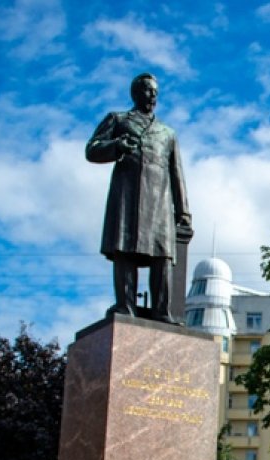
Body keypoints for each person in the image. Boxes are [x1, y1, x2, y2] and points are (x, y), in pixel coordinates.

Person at [86, 72, 190, 324]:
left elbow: (178, 174)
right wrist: (117, 146)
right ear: (135, 93)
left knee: (162, 255)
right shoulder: (118, 119)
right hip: (128, 195)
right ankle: (125, 305)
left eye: (155, 91)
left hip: (160, 200)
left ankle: (162, 310)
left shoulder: (167, 133)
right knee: (125, 248)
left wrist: (184, 212)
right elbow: (92, 149)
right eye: (147, 90)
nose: (152, 95)